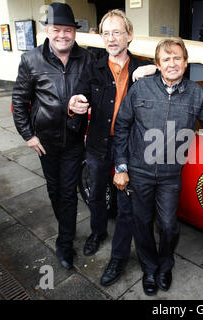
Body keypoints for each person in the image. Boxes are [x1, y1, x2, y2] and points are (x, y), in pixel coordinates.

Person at [112, 37, 203, 295]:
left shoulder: (196, 93)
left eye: (177, 58)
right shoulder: (140, 90)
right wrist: (120, 167)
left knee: (167, 225)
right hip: (139, 171)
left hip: (169, 175)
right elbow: (121, 127)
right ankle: (150, 270)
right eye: (166, 59)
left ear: (185, 63)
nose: (172, 63)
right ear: (158, 64)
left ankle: (165, 266)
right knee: (141, 223)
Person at [68, 9, 156, 286]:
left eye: (117, 32)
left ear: (129, 35)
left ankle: (118, 258)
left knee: (126, 206)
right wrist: (74, 105)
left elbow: (178, 73)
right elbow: (80, 96)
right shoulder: (93, 66)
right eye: (106, 33)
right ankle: (97, 233)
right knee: (95, 195)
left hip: (129, 150)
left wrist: (156, 70)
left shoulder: (144, 68)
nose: (111, 38)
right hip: (97, 145)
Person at [12, 2, 91, 270]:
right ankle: (65, 225)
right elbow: (20, 99)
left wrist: (147, 68)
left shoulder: (87, 58)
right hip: (44, 142)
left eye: (67, 30)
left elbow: (98, 89)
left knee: (68, 192)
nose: (62, 35)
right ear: (47, 30)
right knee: (54, 190)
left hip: (73, 141)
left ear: (74, 33)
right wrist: (27, 135)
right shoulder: (30, 60)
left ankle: (64, 242)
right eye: (56, 29)